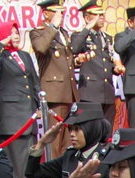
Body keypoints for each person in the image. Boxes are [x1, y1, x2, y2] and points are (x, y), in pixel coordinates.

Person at [0, 20, 40, 178]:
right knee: (15, 153)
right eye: (11, 33)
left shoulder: (24, 55)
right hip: (11, 113)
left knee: (29, 149)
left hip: (28, 111)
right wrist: (1, 44)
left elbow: (34, 82)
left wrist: (39, 105)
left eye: (17, 33)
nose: (15, 36)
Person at [30, 0, 78, 159]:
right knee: (55, 142)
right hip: (55, 93)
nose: (61, 15)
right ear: (45, 13)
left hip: (69, 92)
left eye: (62, 12)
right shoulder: (39, 32)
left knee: (68, 141)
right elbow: (41, 48)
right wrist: (53, 27)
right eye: (56, 11)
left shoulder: (63, 33)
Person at [71, 0, 118, 125]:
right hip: (90, 93)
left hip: (107, 91)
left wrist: (115, 68)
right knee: (91, 130)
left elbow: (107, 60)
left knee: (107, 132)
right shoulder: (79, 35)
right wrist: (87, 28)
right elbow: (74, 48)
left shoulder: (107, 37)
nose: (101, 17)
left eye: (102, 14)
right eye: (97, 14)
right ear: (87, 18)